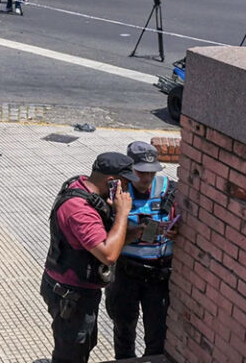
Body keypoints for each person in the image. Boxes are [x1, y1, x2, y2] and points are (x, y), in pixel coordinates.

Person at [41, 152, 135, 363]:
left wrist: (135, 233)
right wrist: (122, 213)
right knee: (71, 354)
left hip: (76, 290)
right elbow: (109, 254)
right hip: (71, 294)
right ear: (112, 182)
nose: (128, 190)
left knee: (84, 344)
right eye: (126, 183)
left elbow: (103, 241)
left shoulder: (84, 185)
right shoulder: (80, 209)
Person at [105, 141, 177, 360]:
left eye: (151, 173)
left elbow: (182, 220)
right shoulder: (114, 193)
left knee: (157, 334)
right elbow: (104, 238)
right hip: (126, 274)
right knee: (124, 330)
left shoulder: (169, 190)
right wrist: (134, 232)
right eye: (140, 173)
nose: (146, 179)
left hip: (158, 275)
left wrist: (175, 230)